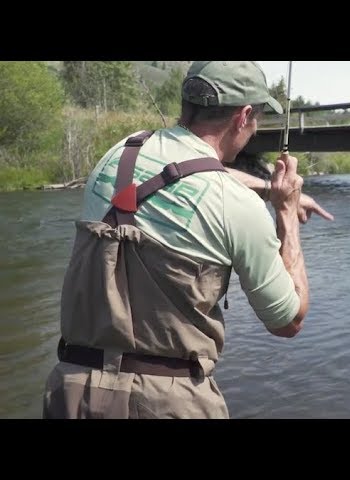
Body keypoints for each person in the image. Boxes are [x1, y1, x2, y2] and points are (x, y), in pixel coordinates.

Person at [43, 61, 332, 419]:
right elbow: (288, 321)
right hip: (167, 404)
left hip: (71, 394)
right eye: (256, 118)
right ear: (242, 117)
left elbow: (189, 171)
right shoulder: (237, 207)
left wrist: (268, 189)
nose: (255, 129)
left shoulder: (120, 154)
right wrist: (286, 212)